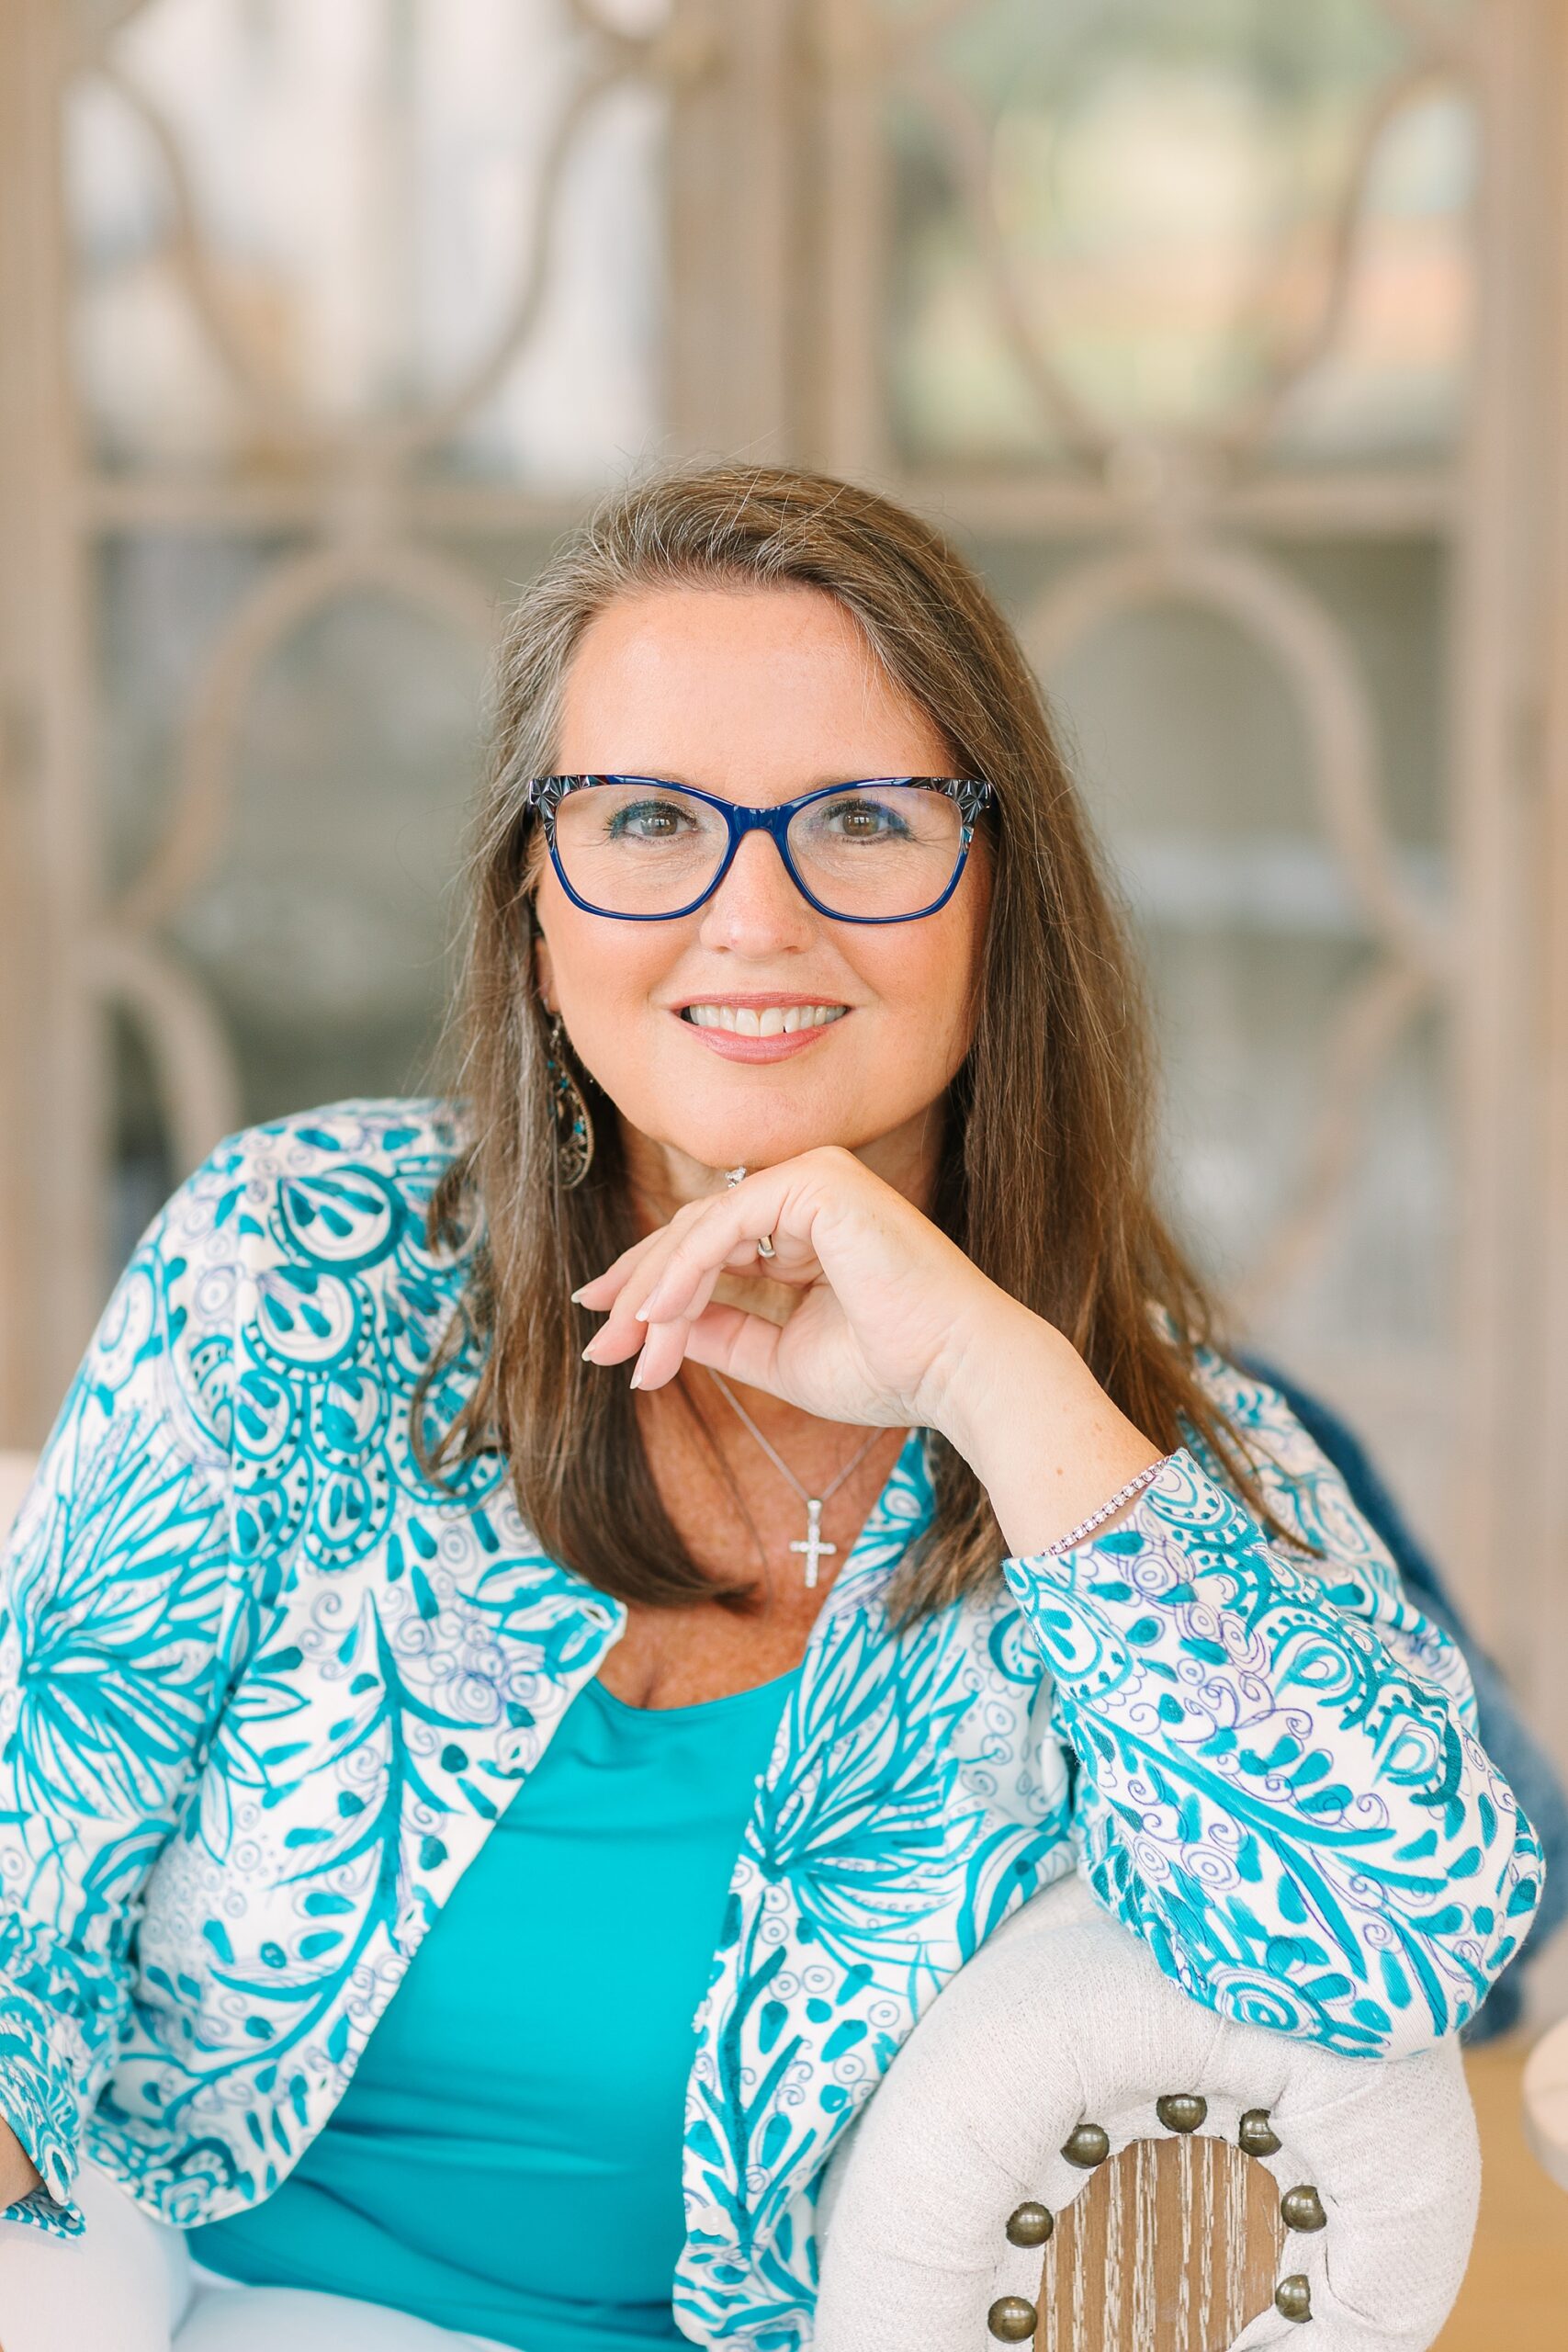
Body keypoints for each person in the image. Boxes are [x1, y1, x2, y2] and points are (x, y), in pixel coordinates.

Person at [0, 464, 1542, 2352]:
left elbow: (1414, 1941)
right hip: (150, 2274)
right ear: (536, 908)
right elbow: (27, 1862)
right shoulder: (303, 1260)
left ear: (999, 894)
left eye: (865, 821)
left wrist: (981, 1367)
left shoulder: (1122, 1448)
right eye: (646, 818)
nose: (751, 912)